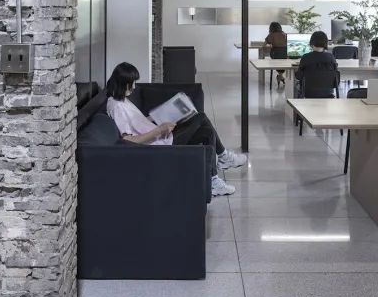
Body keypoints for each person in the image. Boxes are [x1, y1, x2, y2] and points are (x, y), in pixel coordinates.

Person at [104, 62, 248, 197]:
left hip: (162, 138)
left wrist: (158, 115)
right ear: (123, 82)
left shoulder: (121, 99)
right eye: (132, 83)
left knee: (207, 132)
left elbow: (136, 123)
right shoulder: (116, 107)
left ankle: (214, 178)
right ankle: (223, 159)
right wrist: (160, 129)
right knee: (201, 118)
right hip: (159, 146)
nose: (134, 87)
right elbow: (128, 140)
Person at [294, 31, 338, 96]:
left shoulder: (306, 57)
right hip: (328, 92)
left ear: (311, 42)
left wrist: (295, 72)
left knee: (295, 86)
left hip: (308, 93)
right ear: (326, 43)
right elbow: (335, 75)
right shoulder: (331, 57)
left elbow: (299, 76)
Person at [265, 22, 288, 86]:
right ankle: (280, 76)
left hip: (275, 53)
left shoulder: (271, 35)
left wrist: (265, 48)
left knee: (278, 62)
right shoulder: (284, 34)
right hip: (285, 53)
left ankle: (280, 77)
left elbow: (265, 44)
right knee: (283, 62)